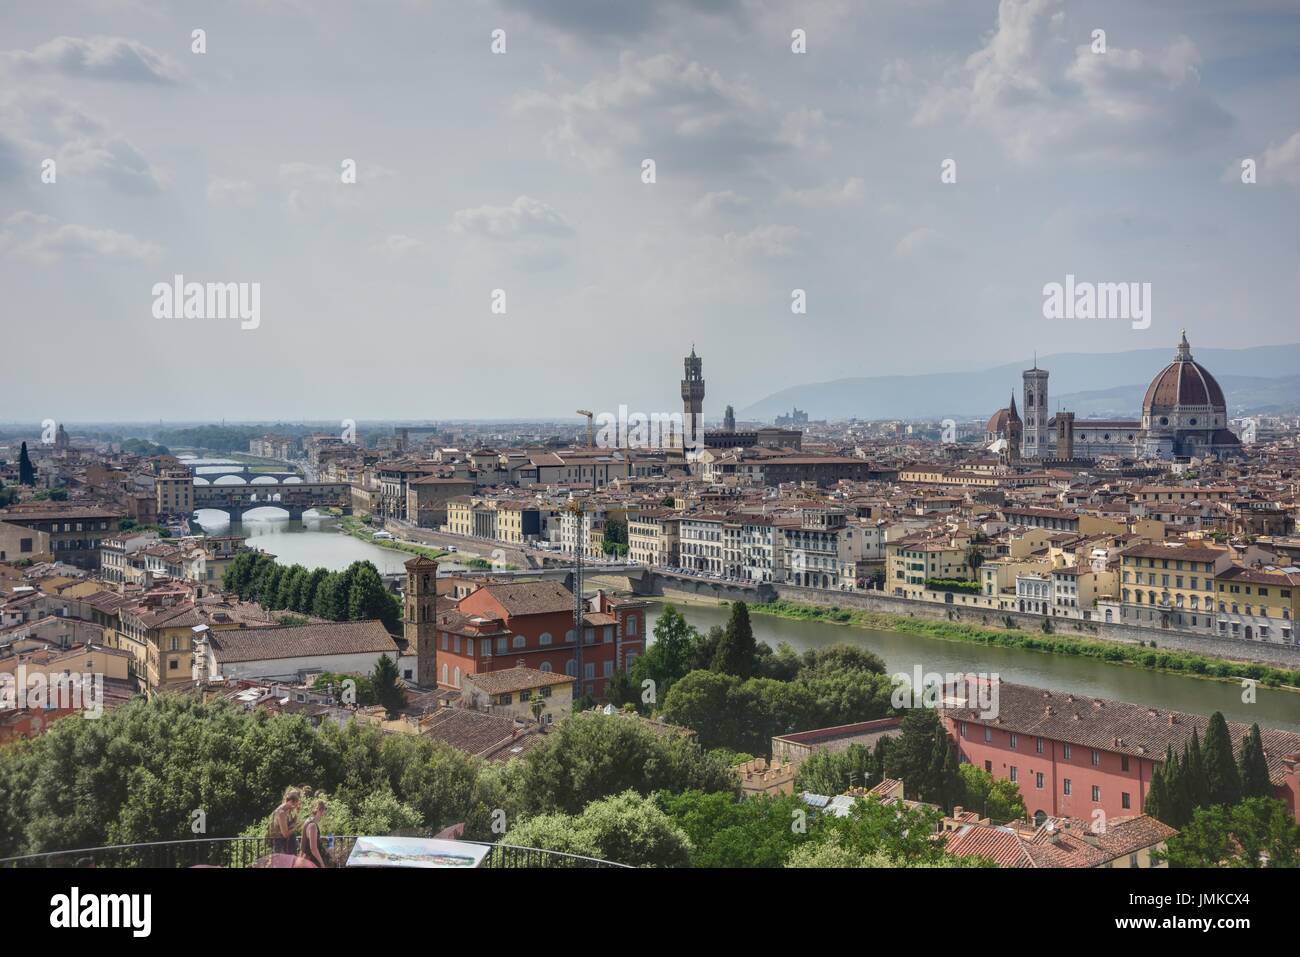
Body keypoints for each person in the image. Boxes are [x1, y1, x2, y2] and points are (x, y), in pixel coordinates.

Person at [295, 799, 330, 868]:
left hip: (305, 859)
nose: (326, 812)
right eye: (325, 809)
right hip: (310, 861)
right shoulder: (313, 826)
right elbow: (313, 849)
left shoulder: (308, 821)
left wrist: (322, 839)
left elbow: (308, 840)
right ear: (320, 810)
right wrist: (322, 863)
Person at [268, 787, 301, 856]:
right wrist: (296, 827)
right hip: (281, 847)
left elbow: (292, 823)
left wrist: (298, 812)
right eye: (295, 804)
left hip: (287, 845)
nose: (294, 807)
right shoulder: (281, 813)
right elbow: (285, 834)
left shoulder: (287, 811)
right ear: (291, 802)